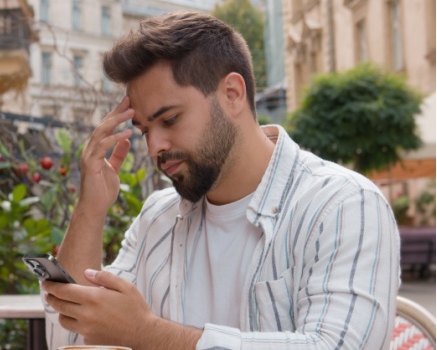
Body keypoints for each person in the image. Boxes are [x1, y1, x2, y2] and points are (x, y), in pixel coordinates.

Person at [41, 11, 399, 349]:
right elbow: (70, 341)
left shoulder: (342, 204)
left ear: (232, 94)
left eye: (169, 120)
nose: (154, 147)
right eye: (144, 130)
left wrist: (147, 333)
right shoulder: (158, 219)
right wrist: (91, 207)